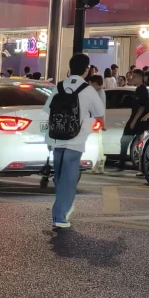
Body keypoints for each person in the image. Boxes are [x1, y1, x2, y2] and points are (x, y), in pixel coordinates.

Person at [45, 53, 106, 230]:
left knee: (59, 177)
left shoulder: (59, 86)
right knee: (69, 179)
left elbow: (47, 111)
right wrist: (102, 125)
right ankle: (60, 216)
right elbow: (99, 114)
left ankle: (61, 209)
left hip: (57, 138)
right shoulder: (88, 90)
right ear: (86, 70)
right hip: (76, 139)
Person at [121, 67, 149, 170]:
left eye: (133, 76)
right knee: (127, 140)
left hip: (139, 122)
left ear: (138, 77)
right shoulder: (138, 89)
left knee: (127, 139)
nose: (131, 78)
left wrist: (133, 121)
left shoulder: (142, 90)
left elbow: (142, 107)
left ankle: (128, 164)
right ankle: (123, 163)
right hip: (137, 120)